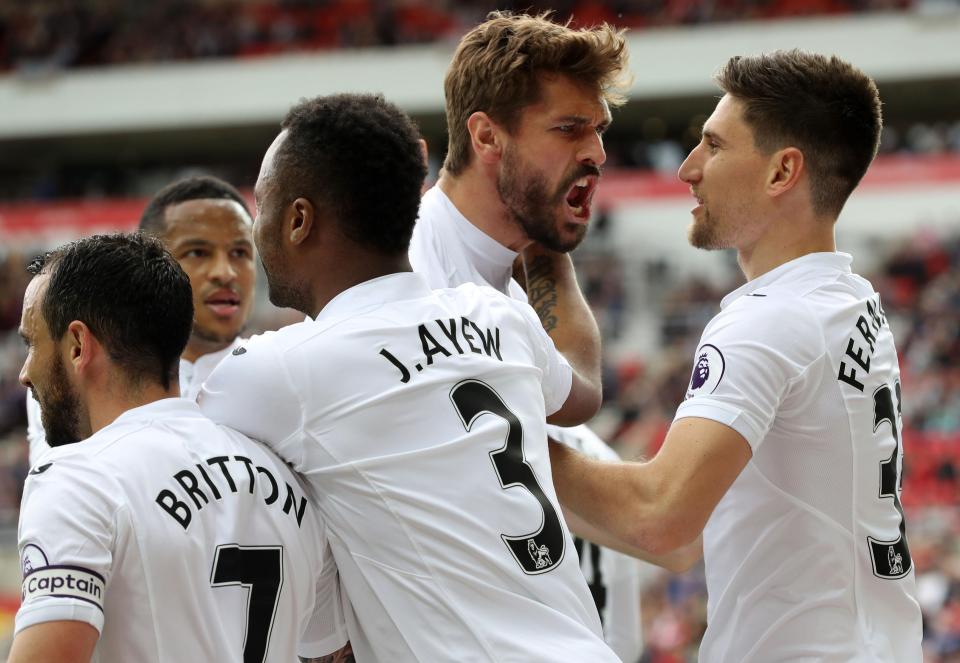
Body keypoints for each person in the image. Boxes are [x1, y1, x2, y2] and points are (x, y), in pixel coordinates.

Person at [199, 92, 618, 662]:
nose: (256, 227)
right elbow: (583, 392)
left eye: (262, 205)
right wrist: (547, 251)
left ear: (298, 220)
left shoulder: (279, 372)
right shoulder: (499, 316)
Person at [548, 49, 924, 662]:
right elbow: (679, 542)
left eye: (714, 146)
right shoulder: (851, 301)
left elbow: (660, 517)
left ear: (782, 172)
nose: (688, 170)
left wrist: (498, 435)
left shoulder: (767, 319)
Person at [408, 11, 664, 657]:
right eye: (569, 129)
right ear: (487, 136)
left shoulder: (504, 269)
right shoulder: (414, 265)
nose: (598, 154)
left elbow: (579, 390)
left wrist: (546, 237)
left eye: (599, 130)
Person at [11, 233, 346, 662]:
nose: (24, 373)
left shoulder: (78, 479)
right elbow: (329, 651)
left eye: (32, 343)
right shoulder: (286, 477)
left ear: (78, 345)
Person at [25, 175, 256, 465]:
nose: (225, 272)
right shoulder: (76, 376)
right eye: (198, 252)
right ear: (153, 265)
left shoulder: (282, 376)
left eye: (240, 252)